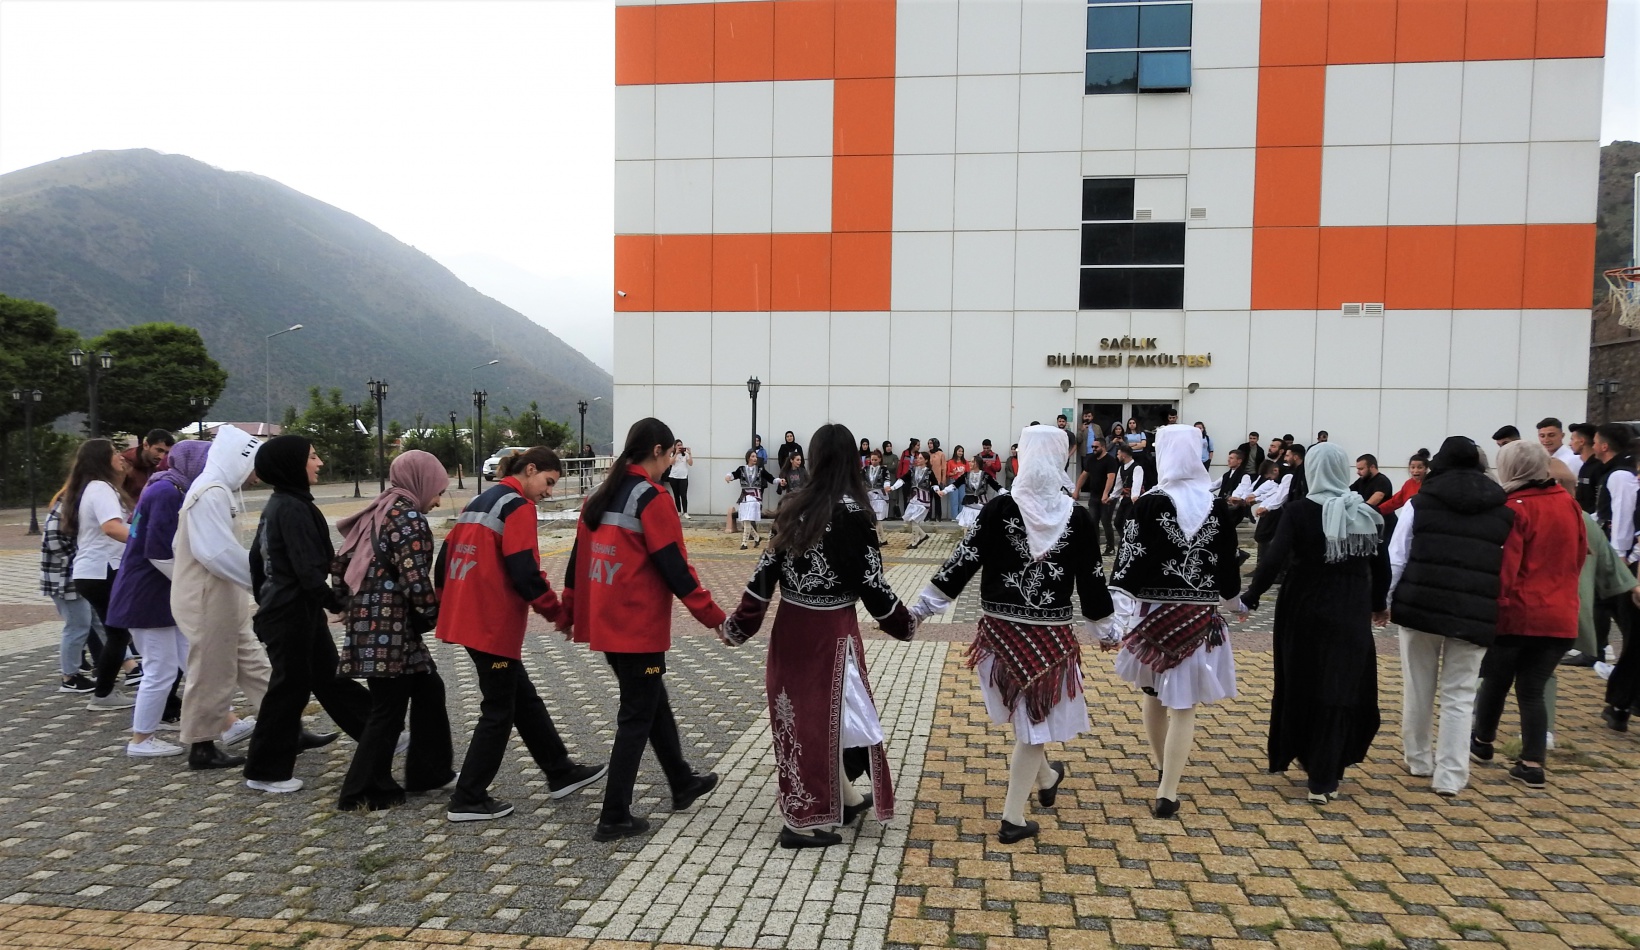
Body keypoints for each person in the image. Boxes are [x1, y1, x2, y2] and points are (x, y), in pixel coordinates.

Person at [911, 424, 1117, 842]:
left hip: (1000, 636)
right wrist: (1106, 630)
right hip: (1049, 640)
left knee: (1029, 721)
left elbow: (960, 563)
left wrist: (919, 610)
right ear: (1060, 458)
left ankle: (1047, 778)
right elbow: (1093, 583)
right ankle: (1012, 820)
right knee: (1034, 724)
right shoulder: (1077, 517)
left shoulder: (998, 509)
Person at [724, 424, 916, 848]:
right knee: (822, 718)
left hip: (791, 629)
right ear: (850, 461)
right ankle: (801, 822)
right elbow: (873, 586)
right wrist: (904, 623)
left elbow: (763, 575)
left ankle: (844, 799)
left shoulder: (793, 505)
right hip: (831, 634)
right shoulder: (854, 514)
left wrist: (738, 626)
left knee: (806, 718)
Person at [561, 418, 726, 842]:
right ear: (657, 451)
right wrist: (714, 618)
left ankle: (681, 781)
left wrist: (568, 611)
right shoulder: (652, 498)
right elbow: (675, 568)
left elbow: (576, 560)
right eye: (671, 454)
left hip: (608, 624)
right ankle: (614, 815)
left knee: (652, 701)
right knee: (636, 716)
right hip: (636, 626)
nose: (671, 462)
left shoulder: (600, 495)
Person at [434, 446, 604, 819]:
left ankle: (560, 771)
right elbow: (525, 571)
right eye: (548, 482)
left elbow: (443, 558)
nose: (549, 492)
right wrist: (558, 614)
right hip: (490, 624)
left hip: (467, 617)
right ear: (530, 470)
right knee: (499, 709)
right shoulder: (518, 506)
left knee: (522, 698)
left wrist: (445, 602)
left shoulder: (481, 500)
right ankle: (468, 798)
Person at [1110, 424, 1245, 819]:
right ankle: (1167, 791)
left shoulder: (1148, 504)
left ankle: (1160, 764)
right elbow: (1227, 564)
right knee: (1184, 706)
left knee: (1153, 694)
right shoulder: (1216, 506)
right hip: (1197, 617)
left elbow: (1128, 563)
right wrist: (1235, 602)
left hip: (1153, 615)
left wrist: (1117, 618)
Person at [1241, 443, 1388, 804]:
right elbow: (1381, 566)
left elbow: (1274, 559)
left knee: (1303, 681)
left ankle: (1308, 758)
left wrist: (1251, 596)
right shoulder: (1364, 513)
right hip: (1350, 609)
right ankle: (1327, 772)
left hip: (1303, 608)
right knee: (1340, 685)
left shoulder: (1298, 511)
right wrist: (1378, 605)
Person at [242, 435, 373, 794]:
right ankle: (266, 771)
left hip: (293, 609)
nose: (319, 463)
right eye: (313, 457)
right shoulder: (292, 508)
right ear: (291, 465)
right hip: (289, 613)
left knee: (328, 676)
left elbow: (257, 564)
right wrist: (336, 603)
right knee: (289, 690)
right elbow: (306, 569)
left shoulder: (284, 503)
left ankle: (379, 732)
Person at [1388, 436, 1513, 799]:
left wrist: (1384, 600)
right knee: (1460, 694)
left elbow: (1398, 556)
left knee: (1418, 685)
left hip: (1420, 603)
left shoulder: (1419, 503)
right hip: (1474, 608)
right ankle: (1452, 775)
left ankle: (1418, 759)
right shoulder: (1503, 508)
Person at [334, 450, 456, 810]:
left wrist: (346, 604)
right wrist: (434, 616)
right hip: (389, 631)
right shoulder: (408, 518)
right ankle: (361, 790)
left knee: (429, 689)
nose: (437, 501)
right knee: (387, 709)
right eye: (438, 491)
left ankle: (429, 772)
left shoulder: (379, 510)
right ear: (422, 482)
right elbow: (415, 579)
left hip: (373, 625)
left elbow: (340, 562)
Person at [1469, 442, 1586, 790]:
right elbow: (1580, 555)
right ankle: (1533, 763)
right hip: (1561, 613)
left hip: (1519, 613)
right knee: (1532, 689)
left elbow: (1507, 566)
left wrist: (1494, 605)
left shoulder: (1513, 508)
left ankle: (1482, 742)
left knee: (1496, 679)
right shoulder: (1569, 504)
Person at [173, 425, 271, 771]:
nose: (256, 476)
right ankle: (201, 745)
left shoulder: (217, 490)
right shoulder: (210, 492)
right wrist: (262, 583)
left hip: (222, 594)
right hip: (207, 596)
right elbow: (215, 553)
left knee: (253, 663)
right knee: (212, 671)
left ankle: (285, 725)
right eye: (253, 467)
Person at [107, 440, 212, 757]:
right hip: (148, 594)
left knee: (190, 661)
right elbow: (159, 551)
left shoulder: (165, 486)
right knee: (160, 670)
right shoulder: (168, 491)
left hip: (155, 592)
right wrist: (190, 585)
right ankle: (141, 739)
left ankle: (224, 722)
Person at [66, 439, 138, 710]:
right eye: (115, 452)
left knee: (117, 634)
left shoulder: (96, 488)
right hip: (102, 570)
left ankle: (104, 693)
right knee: (119, 634)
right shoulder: (101, 488)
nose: (121, 456)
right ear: (101, 459)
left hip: (93, 572)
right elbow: (112, 528)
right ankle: (103, 694)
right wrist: (149, 539)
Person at [40, 485, 106, 694]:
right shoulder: (64, 509)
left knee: (97, 621)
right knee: (77, 626)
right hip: (64, 579)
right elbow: (54, 542)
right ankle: (69, 677)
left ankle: (128, 666)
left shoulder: (72, 506)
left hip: (74, 576)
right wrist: (81, 558)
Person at [726, 450, 776, 549]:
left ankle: (744, 543)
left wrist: (779, 481)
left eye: (755, 456)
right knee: (745, 520)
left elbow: (770, 478)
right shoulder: (741, 469)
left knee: (747, 519)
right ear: (748, 458)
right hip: (744, 498)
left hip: (754, 498)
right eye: (753, 456)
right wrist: (728, 476)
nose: (755, 458)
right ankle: (757, 537)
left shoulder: (760, 469)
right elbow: (734, 474)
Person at [889, 452, 940, 549]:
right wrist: (893, 487)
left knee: (914, 520)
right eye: (918, 458)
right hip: (914, 498)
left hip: (924, 500)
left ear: (926, 460)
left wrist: (938, 491)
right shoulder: (913, 470)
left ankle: (914, 542)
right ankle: (923, 535)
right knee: (909, 520)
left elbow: (934, 483)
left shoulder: (929, 472)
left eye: (921, 458)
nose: (918, 460)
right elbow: (903, 479)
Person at [121, 429, 176, 498]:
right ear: (146, 445)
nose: (162, 457)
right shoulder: (123, 465)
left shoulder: (157, 467)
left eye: (166, 453)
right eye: (159, 450)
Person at [1378, 449, 1430, 515]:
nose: (1415, 471)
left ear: (1426, 469)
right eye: (1413, 467)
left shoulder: (1431, 483)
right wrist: (1377, 510)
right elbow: (1395, 501)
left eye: (1419, 467)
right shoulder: (1408, 484)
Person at [955, 462, 1004, 528]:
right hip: (969, 505)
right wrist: (945, 491)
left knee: (980, 525)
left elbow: (995, 485)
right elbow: (956, 484)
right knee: (967, 526)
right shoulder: (966, 475)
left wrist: (1006, 493)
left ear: (977, 464)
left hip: (981, 505)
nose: (970, 463)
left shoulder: (985, 475)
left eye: (972, 461)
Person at [666, 440, 692, 518]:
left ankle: (685, 512)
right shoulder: (672, 454)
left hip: (683, 477)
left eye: (681, 445)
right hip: (673, 477)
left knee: (683, 495)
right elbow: (671, 463)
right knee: (676, 495)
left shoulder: (685, 454)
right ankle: (678, 511)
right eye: (678, 445)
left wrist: (690, 453)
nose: (680, 446)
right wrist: (676, 454)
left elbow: (690, 463)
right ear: (675, 446)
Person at [946, 446, 971, 515]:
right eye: (959, 451)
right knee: (954, 500)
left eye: (962, 451)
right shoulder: (950, 462)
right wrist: (953, 473)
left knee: (962, 500)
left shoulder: (965, 462)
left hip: (962, 483)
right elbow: (947, 473)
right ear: (955, 452)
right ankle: (954, 517)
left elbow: (968, 473)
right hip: (953, 481)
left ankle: (961, 516)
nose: (961, 453)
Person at [928, 438, 947, 521]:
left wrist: (943, 479)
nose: (929, 445)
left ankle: (938, 516)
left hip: (937, 479)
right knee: (928, 499)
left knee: (937, 499)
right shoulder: (927, 454)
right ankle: (928, 516)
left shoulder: (941, 454)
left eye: (931, 443)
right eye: (928, 443)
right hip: (928, 480)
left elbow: (943, 468)